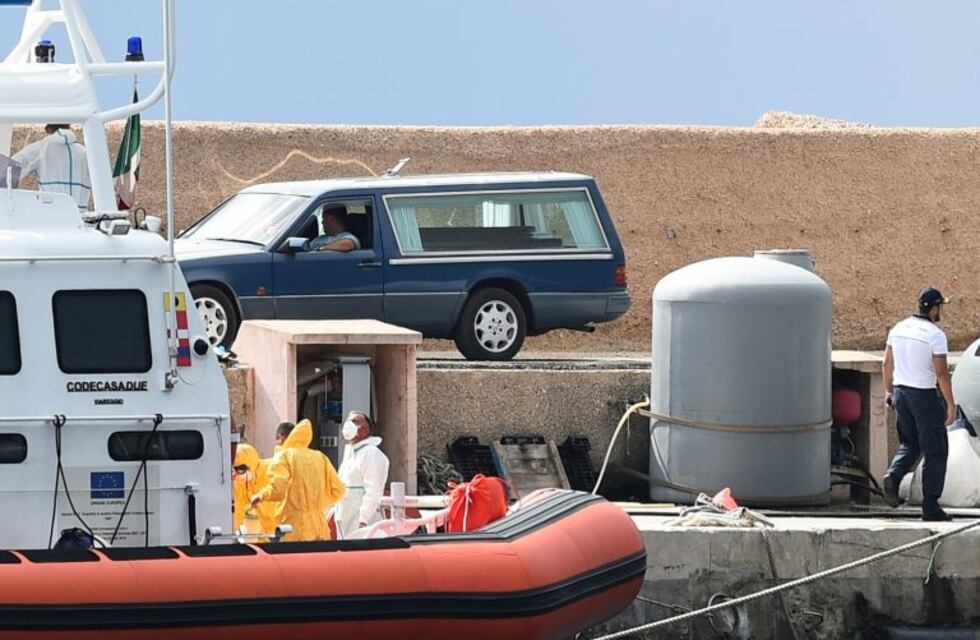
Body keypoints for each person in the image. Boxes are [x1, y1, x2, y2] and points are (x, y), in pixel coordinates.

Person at [881, 287, 956, 522]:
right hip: (924, 396)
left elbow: (886, 364)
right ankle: (930, 506)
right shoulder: (935, 335)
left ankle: (893, 475)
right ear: (934, 308)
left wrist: (889, 392)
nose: (940, 311)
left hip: (901, 394)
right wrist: (951, 405)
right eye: (940, 307)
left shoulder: (899, 328)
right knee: (936, 450)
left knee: (910, 444)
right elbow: (942, 373)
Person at [251, 420, 346, 541]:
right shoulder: (320, 457)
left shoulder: (284, 456)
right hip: (319, 525)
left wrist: (260, 495)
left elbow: (278, 490)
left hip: (293, 528)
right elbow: (339, 489)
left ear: (282, 437)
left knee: (294, 559)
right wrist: (317, 507)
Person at [336, 411, 390, 539]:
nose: (348, 424)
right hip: (345, 521)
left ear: (365, 430)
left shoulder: (371, 454)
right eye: (348, 421)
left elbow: (373, 490)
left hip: (362, 524)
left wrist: (363, 520)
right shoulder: (350, 454)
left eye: (354, 421)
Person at [12, 124, 91, 212]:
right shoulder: (85, 153)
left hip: (51, 217)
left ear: (48, 129)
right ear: (68, 127)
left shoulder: (40, 148)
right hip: (81, 219)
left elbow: (8, 170)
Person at [231, 443, 276, 534]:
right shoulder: (240, 481)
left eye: (240, 469)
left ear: (251, 465)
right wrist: (236, 528)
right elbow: (239, 505)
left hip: (282, 523)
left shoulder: (272, 471)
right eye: (233, 470)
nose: (237, 475)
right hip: (266, 526)